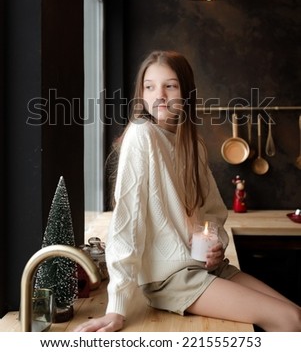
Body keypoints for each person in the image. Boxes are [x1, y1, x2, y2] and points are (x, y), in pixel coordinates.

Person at [74, 50, 301, 332]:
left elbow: (213, 212)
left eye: (170, 86)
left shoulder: (193, 145)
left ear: (186, 92)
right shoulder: (141, 134)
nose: (160, 95)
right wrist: (117, 307)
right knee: (288, 321)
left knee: (295, 316)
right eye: (149, 86)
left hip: (203, 267)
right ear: (141, 93)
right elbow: (127, 224)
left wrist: (216, 243)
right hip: (170, 278)